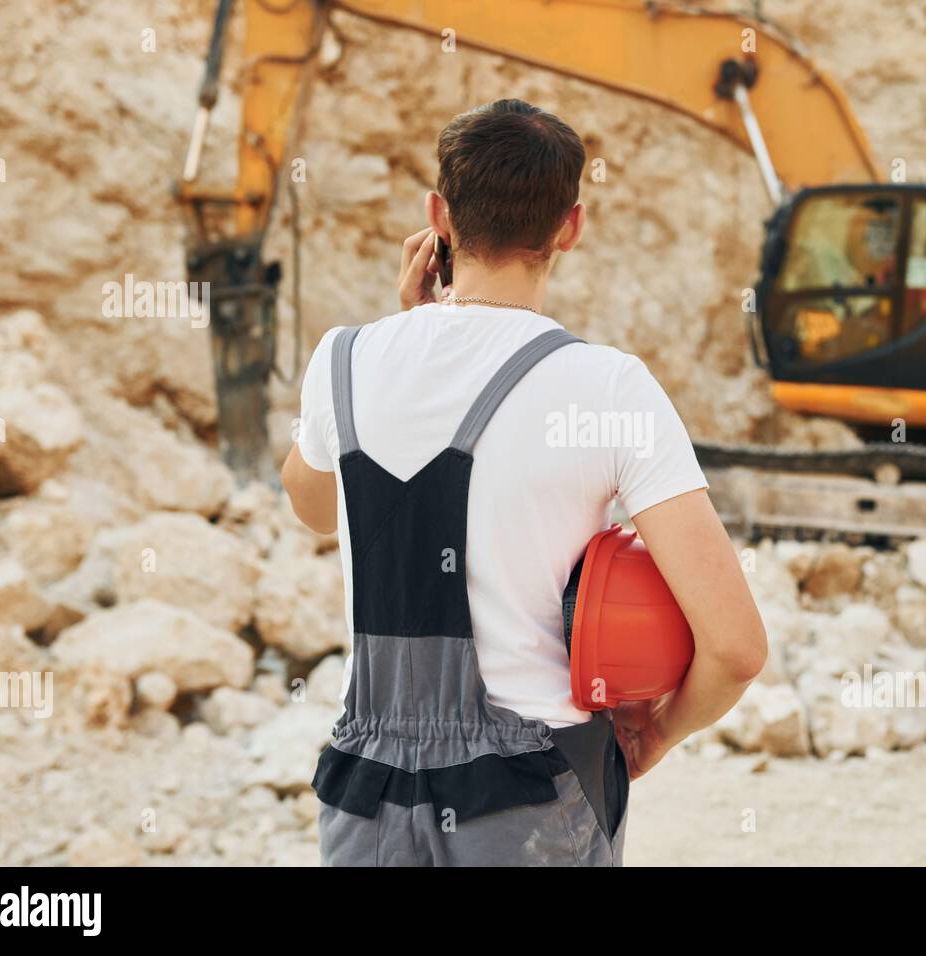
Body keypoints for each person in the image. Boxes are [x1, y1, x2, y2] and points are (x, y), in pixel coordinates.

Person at [281, 98, 767, 867]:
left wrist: (402, 338)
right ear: (569, 227)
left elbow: (314, 507)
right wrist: (660, 730)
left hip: (365, 804)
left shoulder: (341, 361)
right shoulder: (608, 387)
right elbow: (736, 647)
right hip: (525, 806)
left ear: (439, 216)